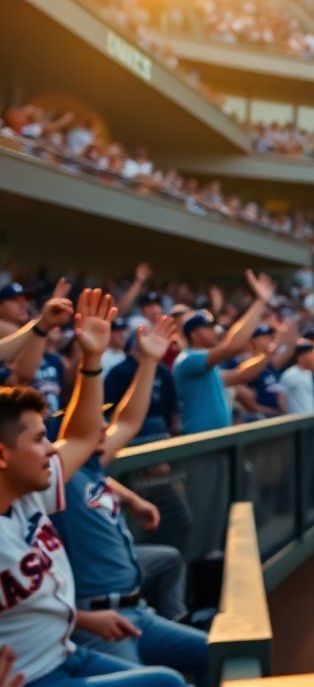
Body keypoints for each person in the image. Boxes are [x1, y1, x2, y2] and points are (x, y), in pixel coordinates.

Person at [0, 287, 185, 686]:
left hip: (69, 649)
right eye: (38, 440)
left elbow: (84, 438)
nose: (52, 450)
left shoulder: (31, 492)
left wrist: (93, 359)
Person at [52, 317, 208, 684]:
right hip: (98, 620)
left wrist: (150, 361)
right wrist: (91, 358)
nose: (105, 427)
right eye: (95, 425)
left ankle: (176, 615)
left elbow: (129, 420)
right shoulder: (58, 476)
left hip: (137, 611)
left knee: (212, 651)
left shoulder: (91, 467)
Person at [171, 270, 275, 434]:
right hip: (198, 445)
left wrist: (265, 356)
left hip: (216, 442)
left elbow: (243, 375)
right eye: (208, 328)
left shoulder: (206, 367)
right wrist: (260, 302)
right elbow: (233, 346)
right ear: (194, 335)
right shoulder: (188, 360)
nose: (215, 331)